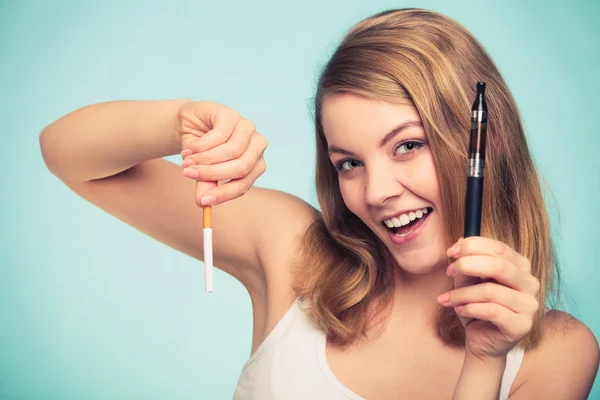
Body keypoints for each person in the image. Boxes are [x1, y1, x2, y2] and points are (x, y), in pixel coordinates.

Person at [39, 8, 598, 400]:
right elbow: (68, 155)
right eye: (348, 162)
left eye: (407, 145)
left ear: (486, 141)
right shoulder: (294, 252)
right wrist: (181, 120)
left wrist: (484, 362)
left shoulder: (559, 351)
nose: (375, 192)